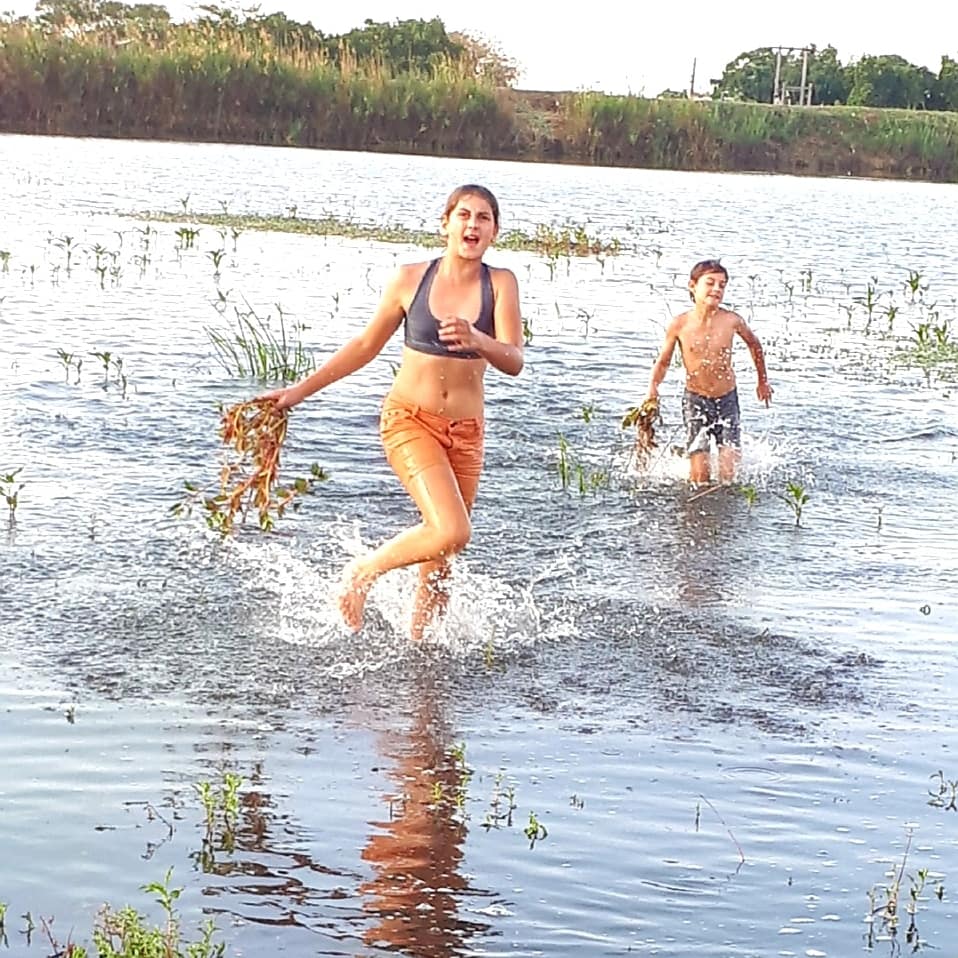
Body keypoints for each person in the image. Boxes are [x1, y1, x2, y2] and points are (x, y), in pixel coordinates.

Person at [260, 185, 524, 639]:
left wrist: (479, 340)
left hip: (467, 432)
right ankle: (362, 574)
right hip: (410, 420)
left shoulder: (500, 284)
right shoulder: (410, 279)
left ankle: (422, 652)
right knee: (453, 530)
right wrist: (298, 392)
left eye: (484, 218)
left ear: (495, 231)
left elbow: (514, 360)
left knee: (441, 556)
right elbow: (365, 346)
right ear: (446, 223)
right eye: (463, 215)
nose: (472, 225)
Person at [644, 259, 772, 484]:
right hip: (695, 399)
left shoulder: (731, 320)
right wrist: (652, 389)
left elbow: (755, 345)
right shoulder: (680, 324)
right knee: (700, 475)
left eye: (722, 285)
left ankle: (726, 504)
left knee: (728, 473)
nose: (717, 289)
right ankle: (701, 512)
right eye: (710, 283)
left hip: (727, 399)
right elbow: (663, 361)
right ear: (692, 286)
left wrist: (762, 382)